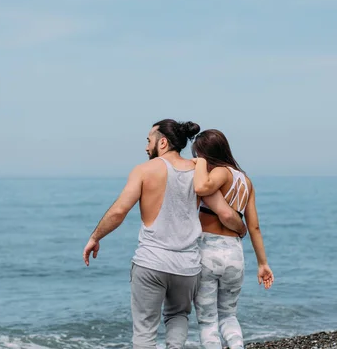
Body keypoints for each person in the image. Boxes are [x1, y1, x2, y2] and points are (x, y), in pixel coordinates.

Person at [82, 119, 246, 349]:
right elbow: (226, 214)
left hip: (151, 264)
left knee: (145, 331)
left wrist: (95, 237)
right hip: (187, 268)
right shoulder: (198, 172)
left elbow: (119, 211)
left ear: (163, 142)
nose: (146, 147)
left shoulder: (143, 170)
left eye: (149, 141)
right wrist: (242, 229)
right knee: (177, 317)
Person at [191, 129, 274, 349]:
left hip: (208, 252)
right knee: (229, 316)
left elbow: (200, 187)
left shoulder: (220, 172)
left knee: (208, 320)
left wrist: (199, 164)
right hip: (235, 254)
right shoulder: (246, 181)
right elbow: (254, 227)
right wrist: (263, 263)